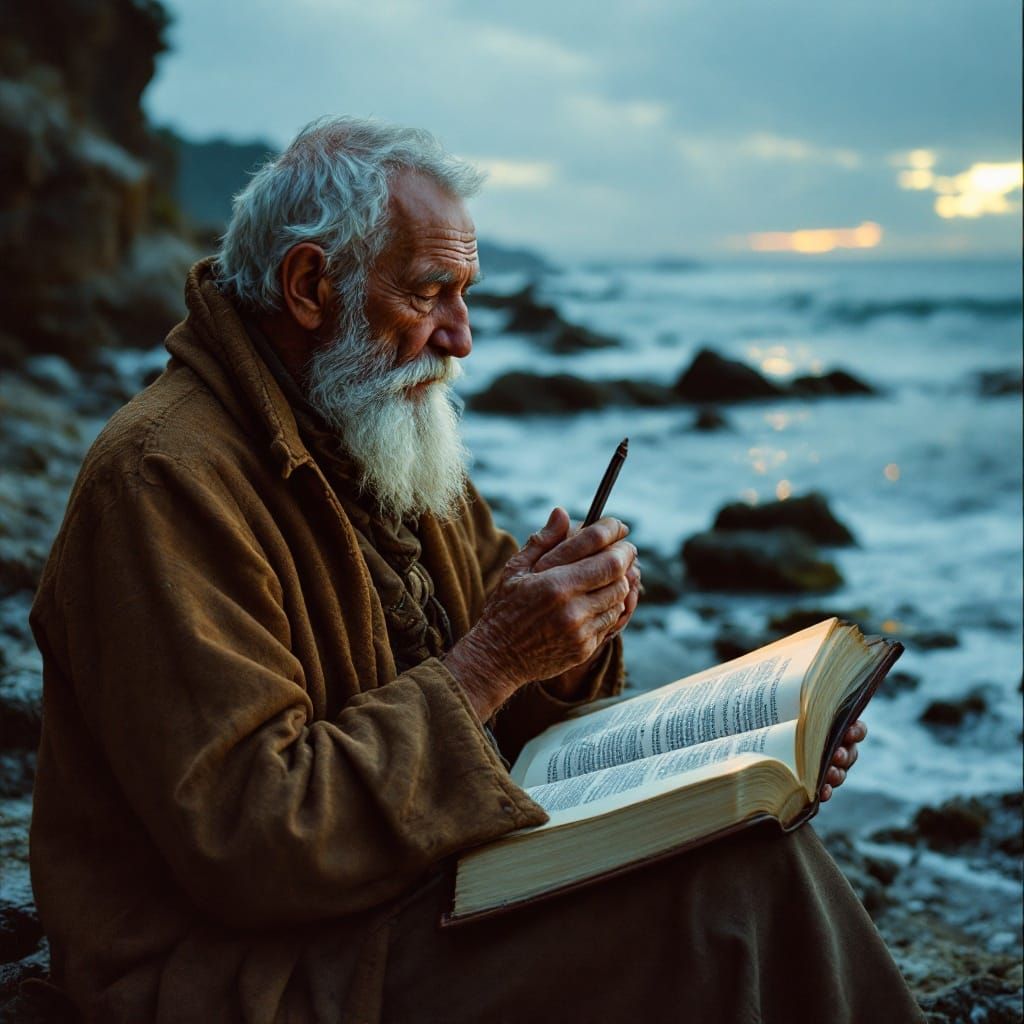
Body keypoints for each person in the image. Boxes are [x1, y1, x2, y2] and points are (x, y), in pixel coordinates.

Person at [28, 116, 923, 1023]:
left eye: (468, 294)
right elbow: (254, 841)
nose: (461, 337)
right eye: (431, 293)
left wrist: (582, 649)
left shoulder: (378, 430)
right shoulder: (163, 479)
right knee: (718, 904)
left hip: (403, 890)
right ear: (308, 286)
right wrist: (494, 658)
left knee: (750, 837)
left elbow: (526, 722)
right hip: (236, 971)